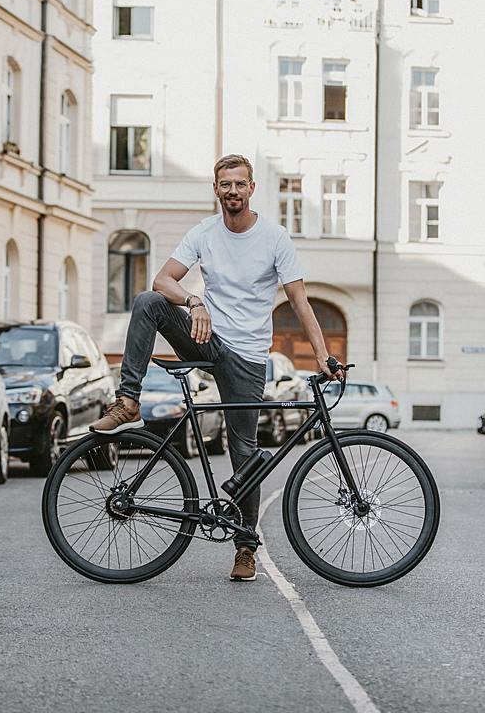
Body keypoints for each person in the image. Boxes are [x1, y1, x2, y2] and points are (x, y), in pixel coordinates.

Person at [89, 153, 343, 582]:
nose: (232, 192)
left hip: (246, 357)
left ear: (251, 188)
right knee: (148, 302)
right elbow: (162, 280)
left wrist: (322, 357)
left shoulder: (274, 237)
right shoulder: (204, 232)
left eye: (239, 184)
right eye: (225, 185)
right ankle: (128, 400)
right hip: (206, 341)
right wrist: (193, 300)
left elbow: (300, 301)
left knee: (243, 451)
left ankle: (245, 547)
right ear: (216, 189)